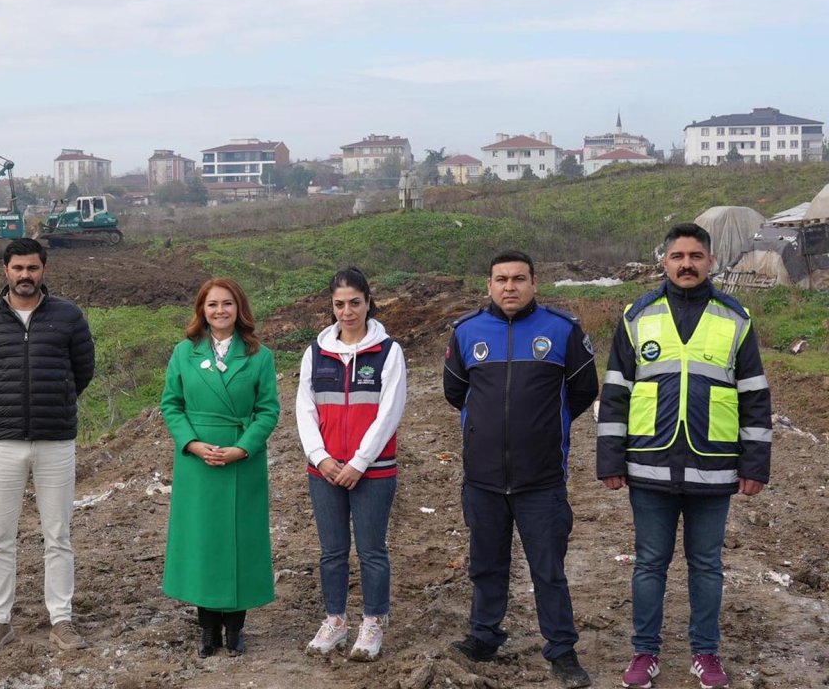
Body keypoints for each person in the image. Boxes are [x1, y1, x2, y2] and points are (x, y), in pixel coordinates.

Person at [597, 223, 772, 689]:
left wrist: (755, 464)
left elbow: (754, 395)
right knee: (650, 563)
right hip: (650, 464)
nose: (687, 264)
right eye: (678, 256)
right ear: (664, 261)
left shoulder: (735, 318)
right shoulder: (638, 316)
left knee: (707, 565)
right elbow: (615, 392)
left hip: (715, 466)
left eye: (696, 255)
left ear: (710, 262)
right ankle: (644, 652)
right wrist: (611, 459)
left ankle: (706, 654)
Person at [442, 251, 598, 689]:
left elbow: (583, 390)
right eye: (501, 279)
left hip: (541, 479)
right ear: (488, 285)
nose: (510, 287)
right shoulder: (467, 332)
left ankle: (562, 650)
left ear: (534, 283)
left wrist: (547, 427)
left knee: (548, 569)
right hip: (483, 479)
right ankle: (484, 635)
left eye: (518, 279)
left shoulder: (562, 330)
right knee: (486, 565)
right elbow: (456, 390)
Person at [0, 238, 95, 652]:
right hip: (2, 443)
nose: (25, 275)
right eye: (18, 268)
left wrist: (53, 403)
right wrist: (5, 407)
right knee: (0, 536)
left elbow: (83, 370)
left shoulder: (69, 317)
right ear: (6, 270)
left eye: (32, 268)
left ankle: (62, 619)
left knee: (58, 534)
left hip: (56, 441)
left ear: (43, 271)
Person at [161, 278, 280, 658]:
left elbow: (268, 410)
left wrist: (242, 448)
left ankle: (236, 628)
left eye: (227, 304)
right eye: (212, 305)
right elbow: (171, 405)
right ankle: (207, 629)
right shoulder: (184, 352)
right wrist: (193, 445)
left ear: (239, 308)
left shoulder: (259, 355)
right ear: (202, 310)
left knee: (240, 542)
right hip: (199, 464)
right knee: (204, 542)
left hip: (241, 462)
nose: (219, 311)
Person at [296, 268, 406, 662]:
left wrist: (359, 462)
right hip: (324, 471)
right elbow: (304, 410)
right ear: (332, 306)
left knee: (372, 550)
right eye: (339, 304)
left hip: (373, 471)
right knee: (332, 551)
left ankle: (373, 621)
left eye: (354, 303)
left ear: (368, 301)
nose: (347, 311)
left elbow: (389, 413)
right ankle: (335, 620)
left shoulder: (388, 352)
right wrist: (320, 458)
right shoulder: (316, 353)